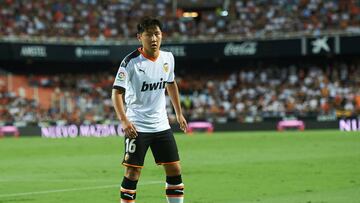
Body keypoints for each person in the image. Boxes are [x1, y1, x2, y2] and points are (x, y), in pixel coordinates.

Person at [112, 17, 188, 203]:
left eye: (157, 34)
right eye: (149, 35)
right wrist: (124, 120)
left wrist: (178, 113)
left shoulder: (168, 58)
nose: (154, 39)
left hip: (161, 125)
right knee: (132, 171)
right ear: (140, 37)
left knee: (174, 169)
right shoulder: (130, 62)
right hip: (137, 126)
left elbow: (171, 84)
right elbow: (116, 93)